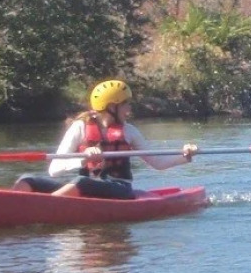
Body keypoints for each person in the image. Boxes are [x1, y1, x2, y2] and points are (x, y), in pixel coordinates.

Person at [13, 80, 197, 199]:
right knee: (27, 180)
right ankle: (18, 208)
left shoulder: (129, 132)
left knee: (80, 182)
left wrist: (184, 156)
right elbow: (54, 170)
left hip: (119, 189)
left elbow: (157, 163)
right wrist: (84, 158)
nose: (129, 109)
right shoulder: (79, 127)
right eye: (126, 104)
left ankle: (43, 208)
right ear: (112, 107)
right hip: (85, 188)